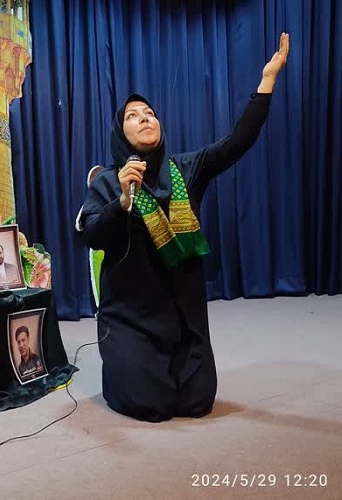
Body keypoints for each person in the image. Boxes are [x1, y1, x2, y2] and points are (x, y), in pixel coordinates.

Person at [79, 33, 289, 423]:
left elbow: (237, 142)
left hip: (182, 313)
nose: (145, 118)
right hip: (130, 314)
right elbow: (89, 235)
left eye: (149, 112)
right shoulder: (109, 180)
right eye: (133, 116)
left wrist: (267, 80)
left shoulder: (185, 169)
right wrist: (121, 202)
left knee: (197, 401)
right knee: (149, 404)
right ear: (120, 134)